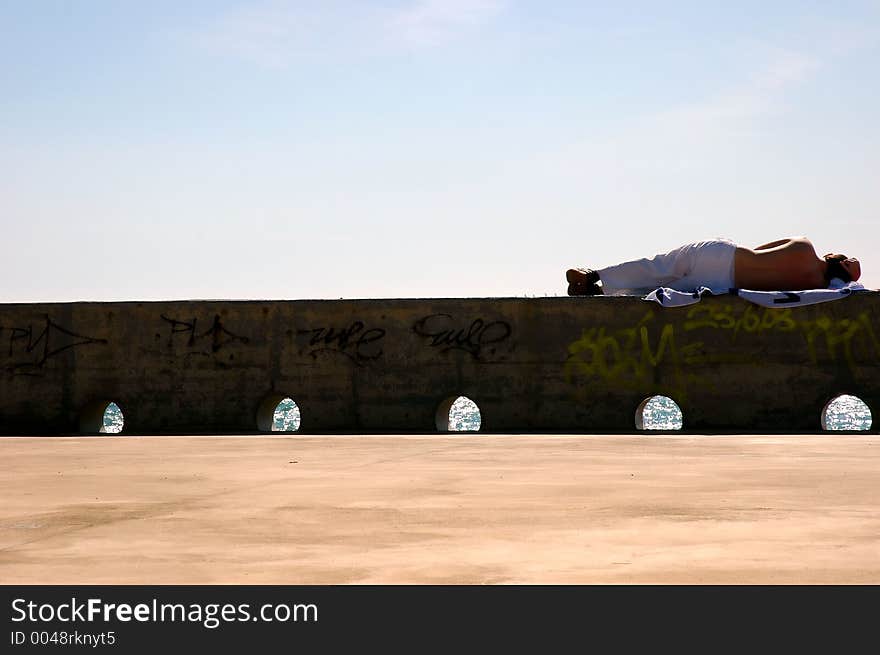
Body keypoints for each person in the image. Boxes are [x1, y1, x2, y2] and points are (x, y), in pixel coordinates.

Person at [566, 237, 861, 296]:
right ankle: (598, 291)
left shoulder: (804, 246)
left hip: (724, 256)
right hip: (725, 282)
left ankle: (594, 276)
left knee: (657, 267)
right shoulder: (815, 287)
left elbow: (759, 249)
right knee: (661, 290)